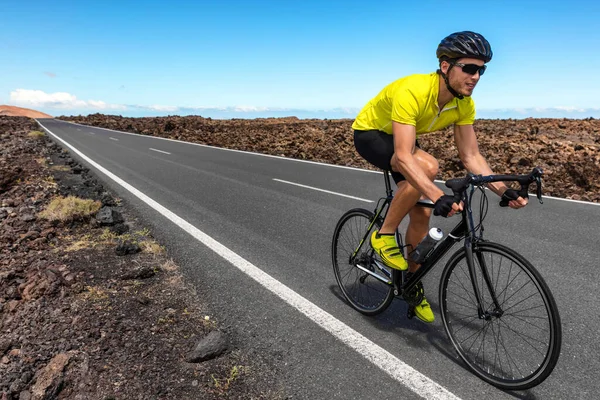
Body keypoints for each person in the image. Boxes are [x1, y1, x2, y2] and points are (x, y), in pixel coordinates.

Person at [352, 31, 528, 323]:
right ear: (445, 66)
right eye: (469, 68)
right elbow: (402, 157)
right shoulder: (413, 90)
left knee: (422, 215)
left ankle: (410, 285)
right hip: (371, 134)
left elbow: (471, 157)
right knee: (429, 167)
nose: (476, 76)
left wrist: (503, 190)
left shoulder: (464, 104)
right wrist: (438, 195)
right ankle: (383, 236)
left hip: (401, 140)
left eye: (481, 70)